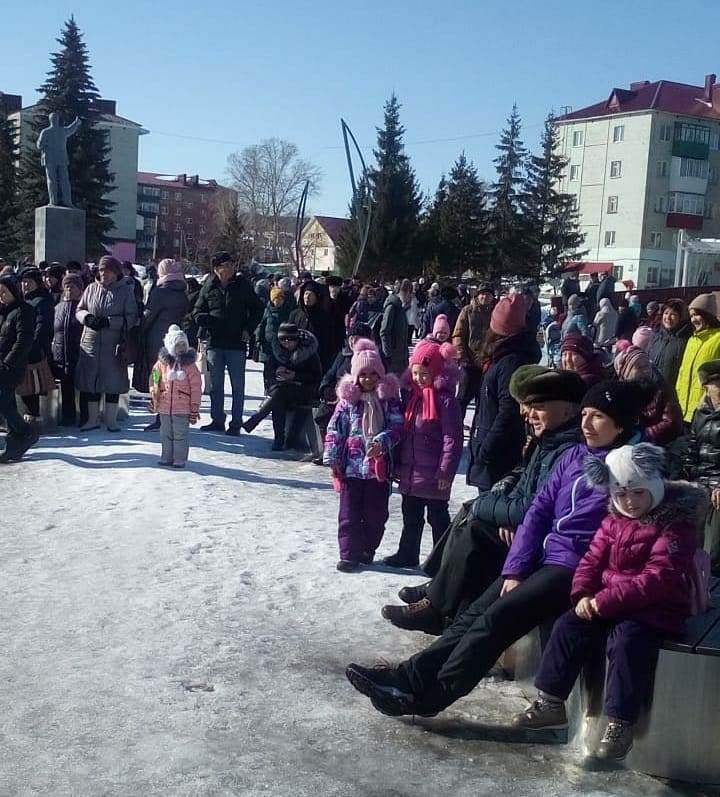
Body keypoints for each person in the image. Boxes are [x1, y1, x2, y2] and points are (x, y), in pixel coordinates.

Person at [345, 380, 647, 719]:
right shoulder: (576, 455)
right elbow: (539, 511)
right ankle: (408, 677)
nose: (587, 424)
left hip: (578, 569)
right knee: (473, 615)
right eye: (586, 414)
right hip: (544, 557)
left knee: (495, 620)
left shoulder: (631, 469)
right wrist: (515, 568)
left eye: (599, 417)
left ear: (620, 423)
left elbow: (623, 534)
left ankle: (429, 698)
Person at [512, 444, 702, 762]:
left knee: (627, 642)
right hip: (607, 601)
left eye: (638, 493)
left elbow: (658, 578)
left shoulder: (673, 526)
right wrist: (583, 594)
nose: (630, 502)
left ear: (653, 487)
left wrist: (605, 600)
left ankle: (620, 722)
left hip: (656, 608)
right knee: (569, 624)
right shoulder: (613, 520)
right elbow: (590, 560)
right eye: (621, 494)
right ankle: (551, 701)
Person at [382, 366, 586, 633]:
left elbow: (533, 507)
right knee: (473, 513)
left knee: (476, 525)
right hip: (528, 526)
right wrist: (500, 500)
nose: (528, 414)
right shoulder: (548, 440)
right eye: (527, 406)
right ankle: (438, 593)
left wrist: (495, 510)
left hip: (545, 544)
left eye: (538, 406)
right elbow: (522, 480)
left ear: (568, 410)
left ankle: (436, 607)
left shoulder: (565, 449)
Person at [323, 340, 403, 571]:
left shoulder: (389, 402)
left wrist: (382, 441)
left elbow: (398, 427)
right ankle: (348, 554)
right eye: (363, 374)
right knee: (348, 514)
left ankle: (367, 548)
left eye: (373, 374)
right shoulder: (348, 403)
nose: (368, 379)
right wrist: (333, 458)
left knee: (376, 515)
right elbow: (334, 431)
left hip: (378, 471)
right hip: (351, 469)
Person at [382, 340, 463, 568]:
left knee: (437, 517)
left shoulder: (445, 400)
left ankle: (442, 560)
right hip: (412, 471)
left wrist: (445, 471)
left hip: (435, 473)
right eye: (416, 373)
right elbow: (405, 434)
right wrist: (398, 464)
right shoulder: (413, 398)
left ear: (437, 371)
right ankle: (407, 553)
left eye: (424, 373)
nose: (419, 378)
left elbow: (452, 438)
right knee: (411, 516)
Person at [467, 293, 539, 492]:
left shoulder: (510, 361)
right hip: (492, 449)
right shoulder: (500, 355)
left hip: (499, 456)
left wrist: (485, 449)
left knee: (490, 514)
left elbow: (508, 410)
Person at [193, 252, 263, 435]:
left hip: (236, 343)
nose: (231, 268)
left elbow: (258, 308)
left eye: (232, 264)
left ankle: (236, 423)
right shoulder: (209, 286)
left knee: (237, 386)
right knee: (216, 385)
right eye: (227, 265)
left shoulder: (242, 286)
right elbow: (197, 310)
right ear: (217, 269)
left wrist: (248, 329)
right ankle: (217, 420)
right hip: (215, 342)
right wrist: (204, 320)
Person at [75, 255, 139, 432]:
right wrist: (87, 318)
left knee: (113, 382)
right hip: (91, 342)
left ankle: (111, 420)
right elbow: (79, 309)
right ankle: (93, 419)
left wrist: (110, 322)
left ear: (116, 272)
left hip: (114, 344)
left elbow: (132, 317)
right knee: (91, 381)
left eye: (108, 270)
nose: (104, 274)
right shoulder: (90, 289)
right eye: (101, 270)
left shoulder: (125, 291)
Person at [242, 323, 322, 452]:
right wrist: (277, 374)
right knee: (279, 398)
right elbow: (268, 374)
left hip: (303, 390)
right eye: (283, 339)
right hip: (280, 388)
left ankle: (259, 419)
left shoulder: (309, 352)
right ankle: (278, 438)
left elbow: (316, 376)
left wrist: (295, 376)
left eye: (291, 339)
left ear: (297, 339)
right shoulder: (276, 353)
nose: (287, 342)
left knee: (280, 394)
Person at [135, 259, 189, 431]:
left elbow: (149, 315)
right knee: (172, 379)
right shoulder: (182, 291)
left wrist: (139, 328)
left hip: (157, 342)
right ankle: (170, 415)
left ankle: (160, 415)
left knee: (158, 378)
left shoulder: (161, 291)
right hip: (176, 342)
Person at [684, 360, 720, 574]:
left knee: (711, 549)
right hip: (700, 483)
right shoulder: (701, 413)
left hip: (717, 487)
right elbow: (692, 448)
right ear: (706, 387)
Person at [149, 325, 202, 469]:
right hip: (164, 407)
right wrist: (154, 389)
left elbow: (196, 387)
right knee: (165, 433)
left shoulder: (190, 366)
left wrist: (194, 407)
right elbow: (154, 376)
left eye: (184, 344)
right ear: (171, 346)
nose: (181, 348)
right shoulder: (162, 363)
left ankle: (179, 458)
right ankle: (166, 456)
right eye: (178, 345)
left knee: (180, 434)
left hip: (182, 407)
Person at [313, 322, 373, 446]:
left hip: (358, 399)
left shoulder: (370, 357)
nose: (353, 342)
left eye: (357, 339)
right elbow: (330, 373)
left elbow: (369, 382)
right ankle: (327, 448)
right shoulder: (343, 354)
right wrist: (326, 389)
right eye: (351, 339)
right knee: (323, 414)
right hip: (337, 395)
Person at [0, 276, 39, 463]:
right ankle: (14, 441)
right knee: (8, 403)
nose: (1, 296)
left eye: (4, 292)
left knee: (3, 402)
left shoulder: (23, 310)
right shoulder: (4, 312)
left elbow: (24, 340)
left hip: (12, 366)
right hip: (1, 365)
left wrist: (9, 361)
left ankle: (25, 432)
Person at [614, 344, 684, 446]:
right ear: (625, 372)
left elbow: (673, 423)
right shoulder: (618, 392)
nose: (645, 370)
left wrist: (645, 435)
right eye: (639, 367)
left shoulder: (662, 389)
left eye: (646, 365)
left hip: (659, 446)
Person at [16, 267, 55, 425]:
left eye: (29, 282)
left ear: (37, 283)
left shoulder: (42, 300)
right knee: (25, 387)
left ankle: (33, 421)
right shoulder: (24, 299)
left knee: (32, 386)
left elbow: (42, 326)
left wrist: (31, 345)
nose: (25, 285)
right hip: (22, 347)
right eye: (23, 282)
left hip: (34, 349)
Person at [676, 293, 720, 423]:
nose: (693, 320)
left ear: (708, 315)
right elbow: (682, 372)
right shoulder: (691, 340)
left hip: (706, 412)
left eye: (697, 314)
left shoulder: (718, 338)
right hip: (683, 411)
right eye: (691, 316)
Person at [452, 285, 495, 412]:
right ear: (477, 295)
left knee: (483, 402)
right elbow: (458, 334)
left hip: (487, 363)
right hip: (469, 362)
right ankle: (456, 428)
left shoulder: (495, 313)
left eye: (488, 295)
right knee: (462, 398)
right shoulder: (468, 311)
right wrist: (461, 355)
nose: (485, 297)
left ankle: (476, 430)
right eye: (483, 294)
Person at [51, 273, 84, 425]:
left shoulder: (84, 307)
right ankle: (67, 417)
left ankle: (85, 416)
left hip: (80, 353)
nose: (69, 289)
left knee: (83, 387)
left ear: (79, 288)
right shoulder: (58, 307)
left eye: (73, 286)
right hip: (60, 353)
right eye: (67, 286)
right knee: (66, 386)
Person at [289, 280, 335, 371]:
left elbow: (328, 342)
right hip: (296, 360)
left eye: (311, 294)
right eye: (306, 294)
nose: (307, 297)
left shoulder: (324, 317)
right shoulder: (295, 314)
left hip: (316, 361)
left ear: (317, 297)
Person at [647, 298, 692, 388]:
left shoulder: (686, 340)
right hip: (651, 388)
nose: (667, 318)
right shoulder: (656, 335)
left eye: (673, 314)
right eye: (666, 313)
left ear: (681, 317)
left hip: (672, 392)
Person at [255, 286, 292, 391]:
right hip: (268, 347)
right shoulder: (267, 311)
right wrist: (258, 339)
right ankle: (267, 389)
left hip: (281, 346)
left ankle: (277, 390)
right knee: (268, 370)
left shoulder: (286, 312)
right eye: (277, 299)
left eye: (281, 299)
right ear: (272, 300)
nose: (279, 301)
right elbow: (260, 326)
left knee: (279, 369)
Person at [379, 288, 409, 375]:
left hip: (402, 354)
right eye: (410, 294)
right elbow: (384, 331)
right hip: (393, 356)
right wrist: (387, 353)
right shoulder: (391, 307)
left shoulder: (401, 308)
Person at [399, 279, 420, 345]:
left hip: (412, 312)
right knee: (407, 327)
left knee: (411, 326)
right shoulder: (402, 293)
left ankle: (409, 340)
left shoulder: (412, 293)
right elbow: (403, 302)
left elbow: (416, 302)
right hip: (406, 312)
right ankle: (406, 340)